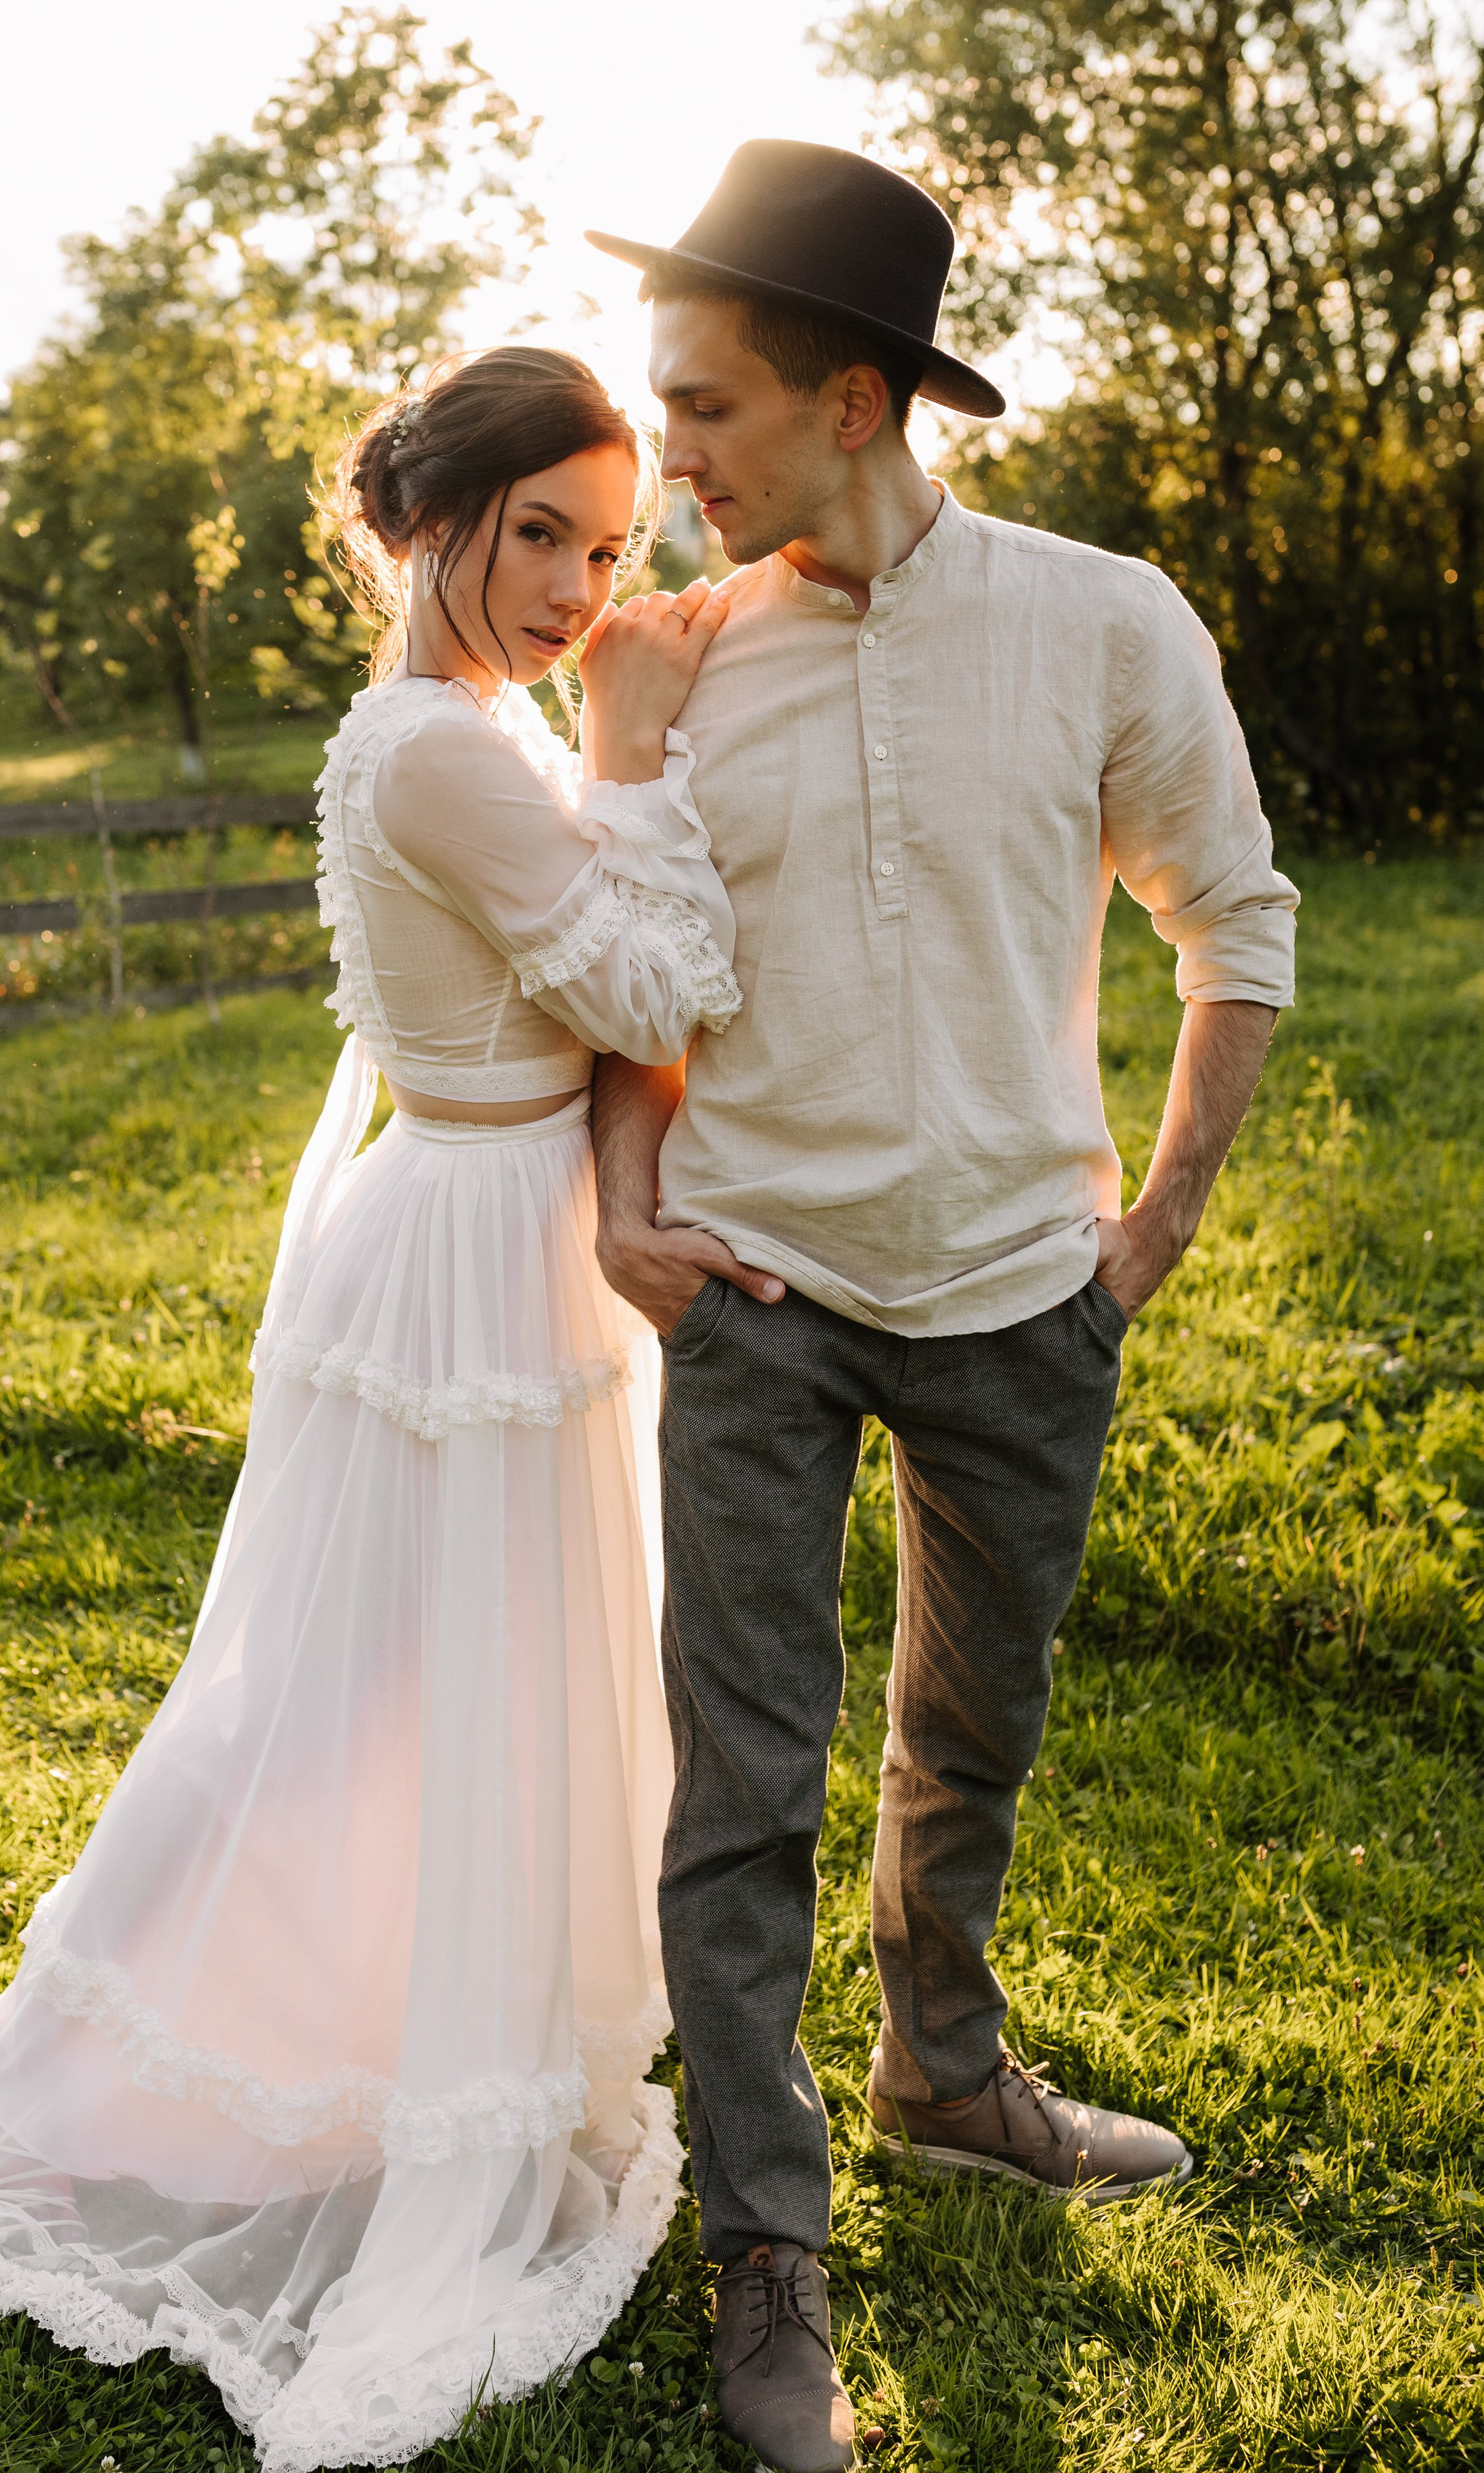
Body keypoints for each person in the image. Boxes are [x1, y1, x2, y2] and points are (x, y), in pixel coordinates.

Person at [0, 346, 747, 2473]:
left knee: (406, 1685)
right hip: (476, 1252)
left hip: (478, 1227)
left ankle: (408, 2024)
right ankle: (337, 2065)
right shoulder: (460, 753)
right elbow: (653, 991)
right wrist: (644, 766)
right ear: (432, 521)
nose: (587, 585)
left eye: (613, 543)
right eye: (545, 537)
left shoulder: (441, 722)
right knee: (407, 1691)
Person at [584, 142, 1298, 2473]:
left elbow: (1237, 928)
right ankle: (763, 2252)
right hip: (763, 1291)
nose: (662, 457)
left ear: (860, 399)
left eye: (705, 409)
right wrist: (627, 1189)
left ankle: (942, 2072)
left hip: (1023, 1295)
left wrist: (1151, 1233)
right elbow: (624, 965)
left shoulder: (1108, 622)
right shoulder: (671, 664)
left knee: (970, 1732)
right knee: (744, 1781)